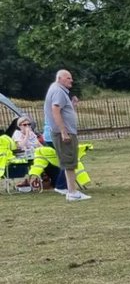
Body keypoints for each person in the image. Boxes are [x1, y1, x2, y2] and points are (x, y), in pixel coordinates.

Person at [43, 69, 88, 201]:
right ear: (60, 78)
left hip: (64, 132)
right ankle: (72, 192)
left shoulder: (57, 90)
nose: (71, 80)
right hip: (64, 133)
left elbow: (62, 110)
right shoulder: (58, 91)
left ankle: (70, 190)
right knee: (69, 162)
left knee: (70, 162)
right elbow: (55, 110)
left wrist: (72, 105)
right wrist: (63, 131)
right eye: (68, 78)